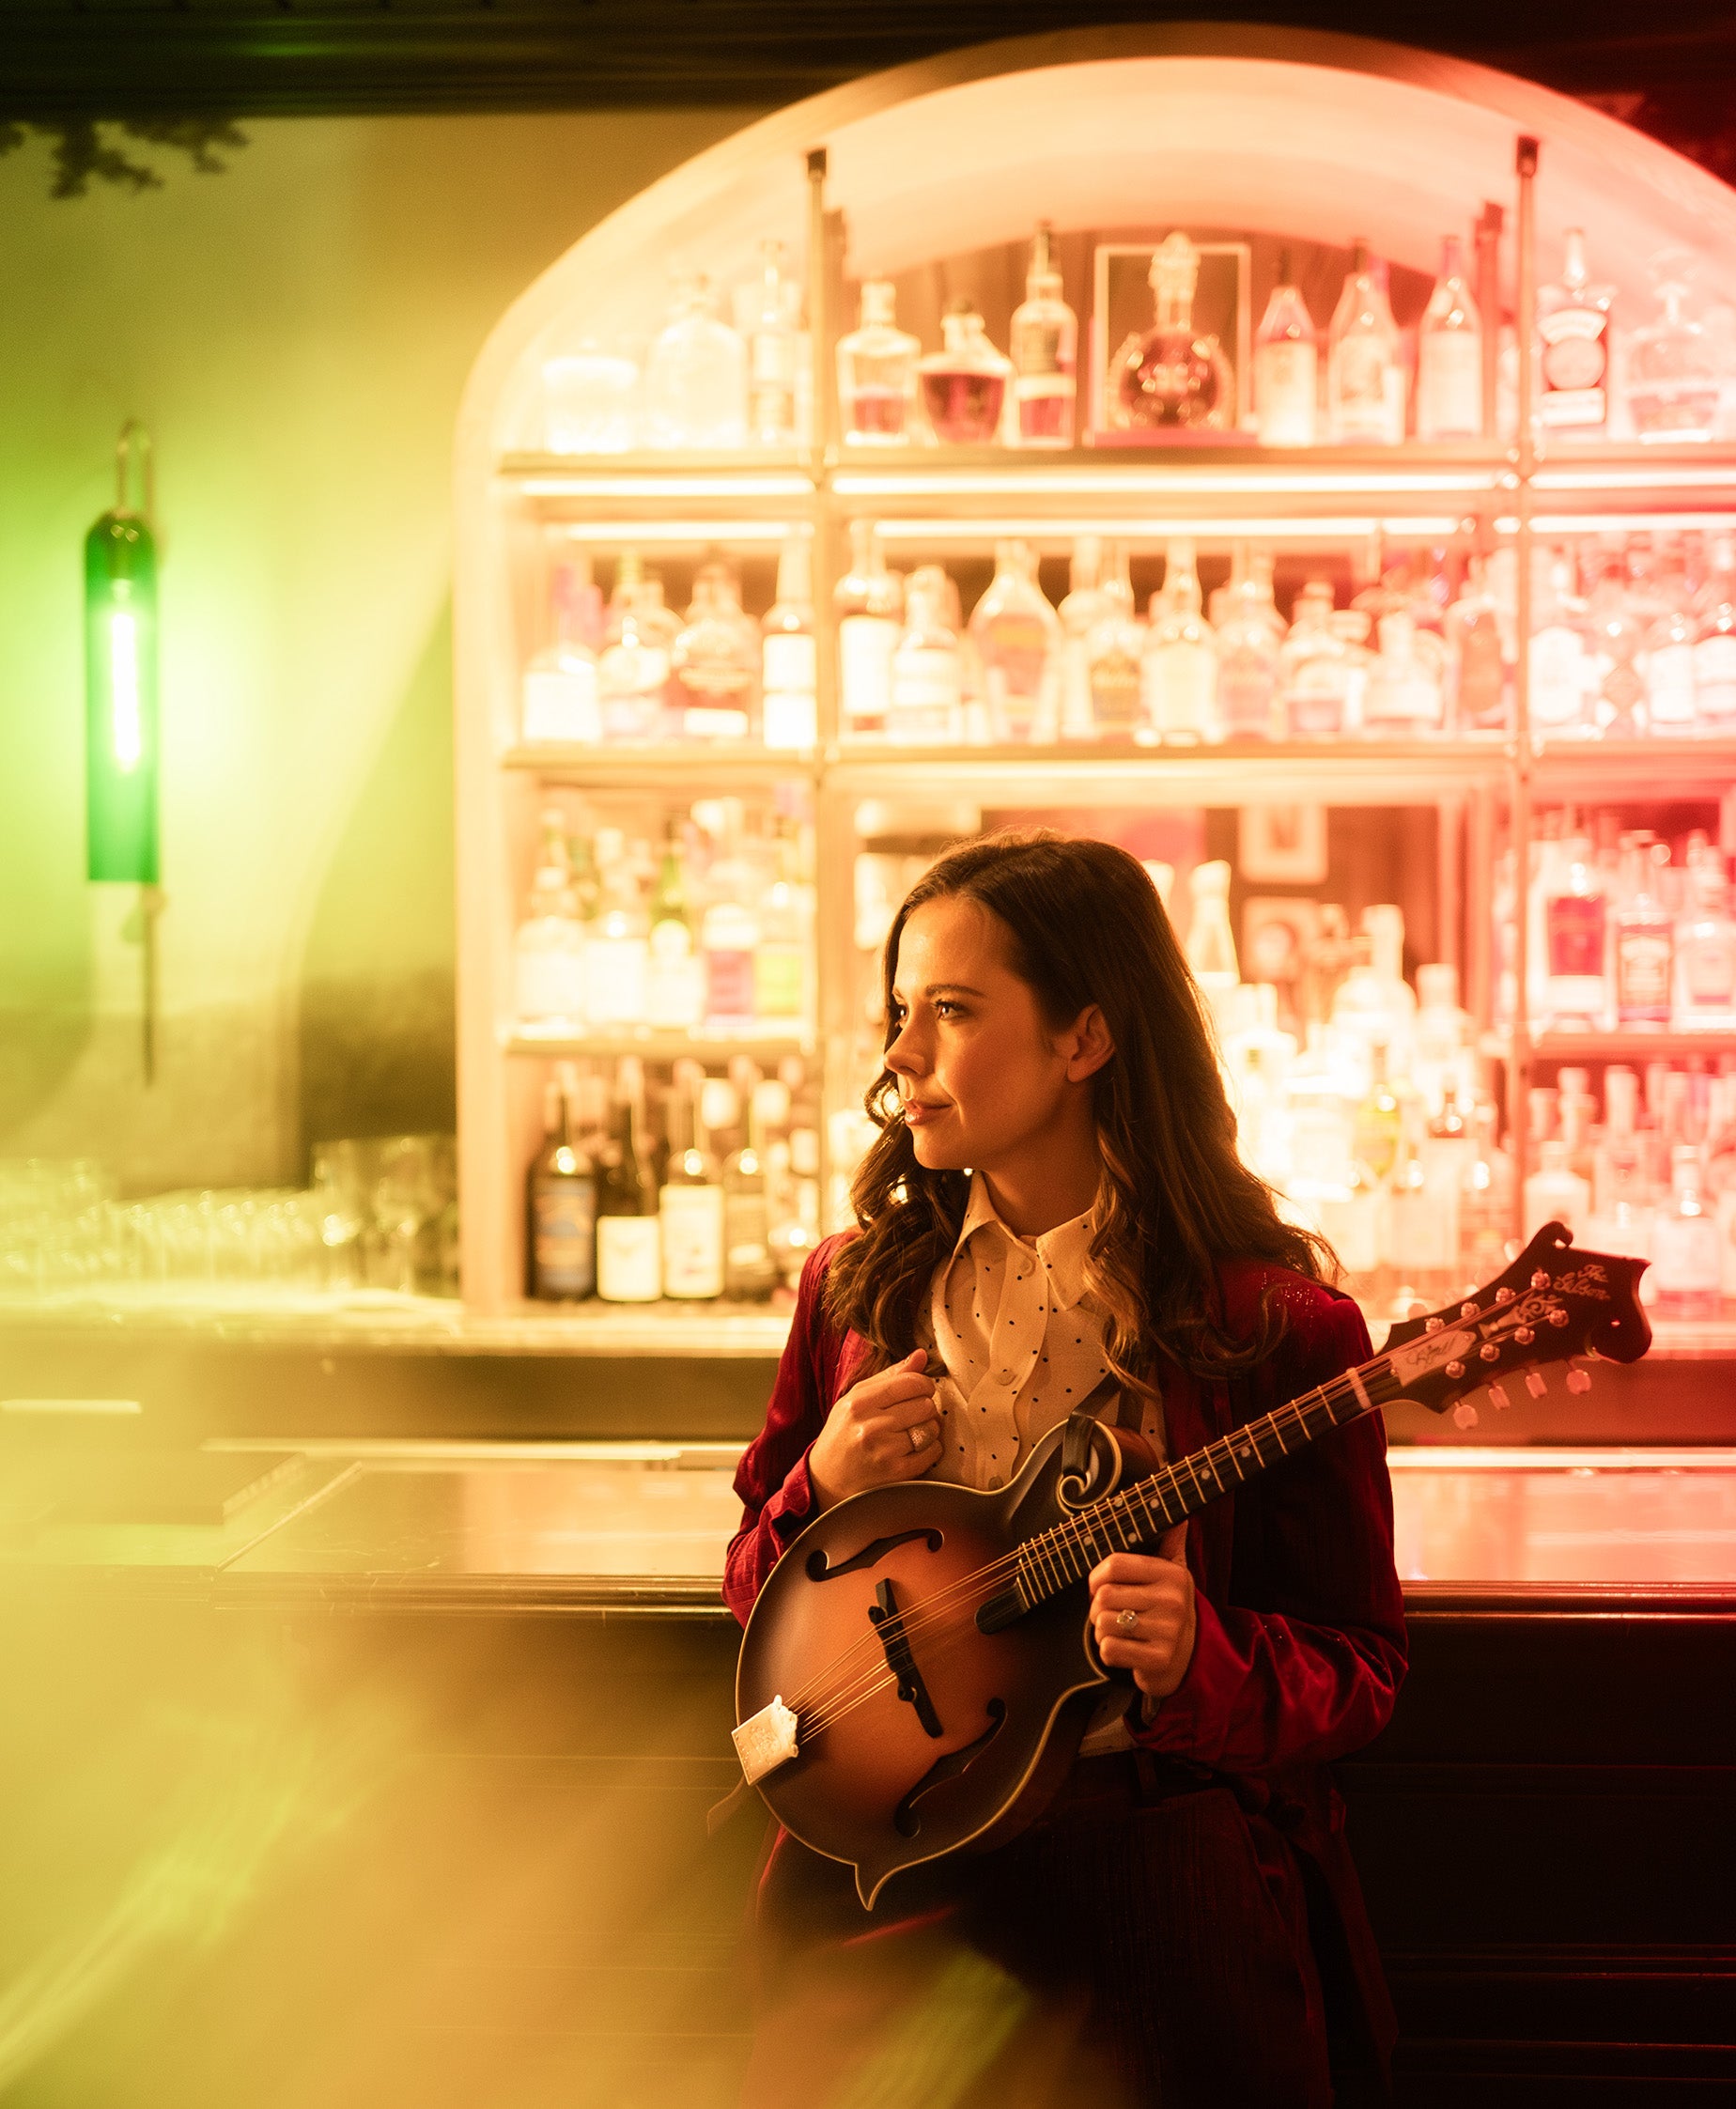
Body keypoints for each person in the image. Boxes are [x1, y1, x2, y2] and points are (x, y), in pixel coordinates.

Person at [724, 832, 1406, 2109]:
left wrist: (1200, 1656)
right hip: (894, 1885)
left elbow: (1362, 1667)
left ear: (1086, 1037)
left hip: (1163, 1885)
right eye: (898, 1012)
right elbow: (753, 1592)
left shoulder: (1280, 1328)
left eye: (952, 1010)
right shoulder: (854, 1295)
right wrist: (816, 1478)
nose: (900, 1055)